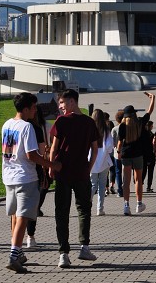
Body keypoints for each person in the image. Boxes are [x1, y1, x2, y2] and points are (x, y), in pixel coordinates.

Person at [2, 92, 61, 273]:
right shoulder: (26, 127)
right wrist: (52, 164)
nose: (36, 110)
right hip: (25, 177)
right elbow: (31, 155)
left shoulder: (7, 124)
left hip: (9, 175)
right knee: (23, 216)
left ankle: (18, 252)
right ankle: (13, 255)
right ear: (26, 108)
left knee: (15, 215)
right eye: (34, 107)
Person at [49, 88, 99, 269]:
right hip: (81, 173)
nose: (60, 107)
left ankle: (63, 253)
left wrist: (51, 167)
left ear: (72, 102)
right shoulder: (89, 122)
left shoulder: (61, 122)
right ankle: (84, 247)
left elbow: (54, 148)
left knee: (61, 212)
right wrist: (89, 167)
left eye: (62, 103)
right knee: (84, 210)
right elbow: (95, 148)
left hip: (63, 172)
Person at [117, 92, 155, 215]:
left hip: (126, 154)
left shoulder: (122, 126)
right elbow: (149, 112)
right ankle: (139, 204)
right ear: (134, 114)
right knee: (138, 180)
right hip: (138, 154)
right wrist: (152, 98)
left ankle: (126, 205)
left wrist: (118, 152)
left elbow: (119, 143)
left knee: (126, 181)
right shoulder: (139, 123)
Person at [26, 104, 51, 249]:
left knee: (17, 211)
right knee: (34, 203)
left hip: (17, 172)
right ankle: (30, 236)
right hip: (38, 166)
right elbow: (44, 149)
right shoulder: (43, 127)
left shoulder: (20, 126)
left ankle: (15, 240)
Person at [90, 109, 114, 216]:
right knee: (102, 185)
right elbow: (109, 146)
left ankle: (87, 203)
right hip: (104, 161)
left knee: (93, 184)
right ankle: (100, 208)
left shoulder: (89, 129)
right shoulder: (106, 130)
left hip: (92, 161)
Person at [111, 110, 124, 197]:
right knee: (126, 172)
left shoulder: (114, 129)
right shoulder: (128, 128)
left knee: (118, 172)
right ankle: (125, 188)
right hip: (126, 152)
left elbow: (112, 142)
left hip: (117, 153)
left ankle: (120, 190)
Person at [142, 121, 156, 192]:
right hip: (150, 155)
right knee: (150, 172)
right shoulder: (152, 135)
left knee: (143, 171)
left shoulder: (142, 134)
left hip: (143, 155)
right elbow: (154, 145)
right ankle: (148, 187)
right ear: (150, 126)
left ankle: (140, 185)